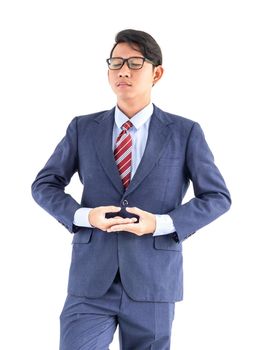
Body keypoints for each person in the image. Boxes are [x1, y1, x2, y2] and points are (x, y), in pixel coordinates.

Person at [31, 29, 231, 350]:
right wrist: (85, 217)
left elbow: (217, 197)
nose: (123, 70)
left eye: (135, 62)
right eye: (116, 62)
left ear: (157, 73)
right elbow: (44, 185)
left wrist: (161, 224)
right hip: (90, 281)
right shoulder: (83, 128)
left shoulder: (184, 132)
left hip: (153, 282)